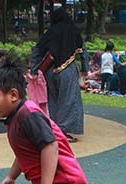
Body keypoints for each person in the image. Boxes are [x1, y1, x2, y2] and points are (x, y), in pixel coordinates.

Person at [34, 7, 87, 141]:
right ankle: (62, 131)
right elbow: (83, 52)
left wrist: (34, 70)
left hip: (49, 72)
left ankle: (54, 128)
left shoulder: (50, 32)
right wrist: (85, 69)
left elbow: (37, 50)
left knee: (53, 100)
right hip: (67, 70)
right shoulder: (73, 31)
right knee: (68, 100)